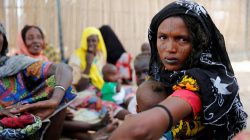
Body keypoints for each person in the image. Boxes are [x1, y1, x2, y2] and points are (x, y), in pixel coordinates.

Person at [109, 1, 248, 140]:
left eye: (182, 39)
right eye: (163, 37)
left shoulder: (202, 82)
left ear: (200, 42)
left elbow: (140, 129)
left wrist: (140, 123)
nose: (170, 48)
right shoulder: (164, 75)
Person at [0, 23, 76, 140]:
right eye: (30, 38)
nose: (36, 41)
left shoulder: (15, 63)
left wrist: (54, 100)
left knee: (59, 83)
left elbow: (64, 69)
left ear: (3, 39)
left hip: (25, 120)